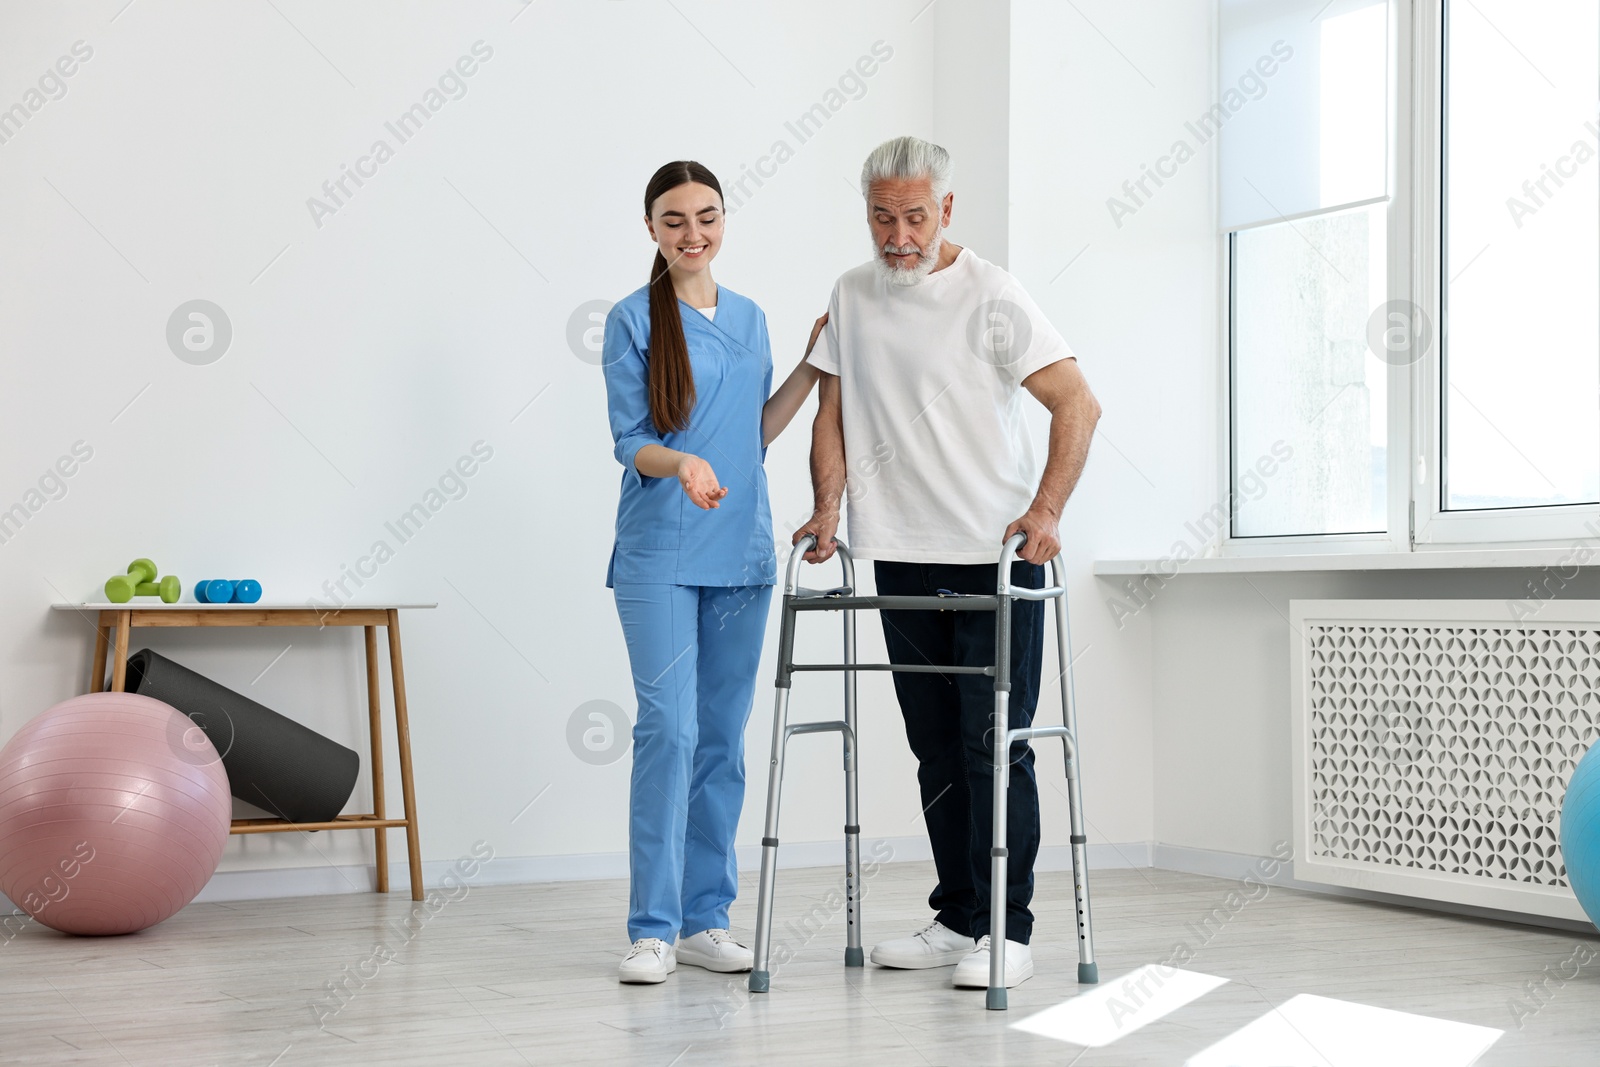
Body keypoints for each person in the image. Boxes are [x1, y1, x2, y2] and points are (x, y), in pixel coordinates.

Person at [796, 135, 1100, 989]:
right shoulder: (852, 296)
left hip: (990, 557)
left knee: (992, 744)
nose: (899, 235)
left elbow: (1078, 399)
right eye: (883, 218)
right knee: (933, 745)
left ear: (948, 211)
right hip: (898, 552)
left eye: (915, 217)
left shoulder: (993, 294)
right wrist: (828, 507)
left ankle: (1009, 929)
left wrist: (1046, 511)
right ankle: (959, 914)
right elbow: (832, 411)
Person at [602, 160, 823, 984]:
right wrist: (683, 462)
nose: (693, 234)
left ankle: (705, 918)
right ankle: (652, 927)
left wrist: (808, 364)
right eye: (674, 220)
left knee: (722, 741)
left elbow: (754, 434)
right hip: (659, 553)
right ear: (651, 229)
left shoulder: (754, 318)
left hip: (741, 554)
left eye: (707, 216)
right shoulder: (632, 319)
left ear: (724, 219)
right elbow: (631, 441)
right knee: (671, 729)